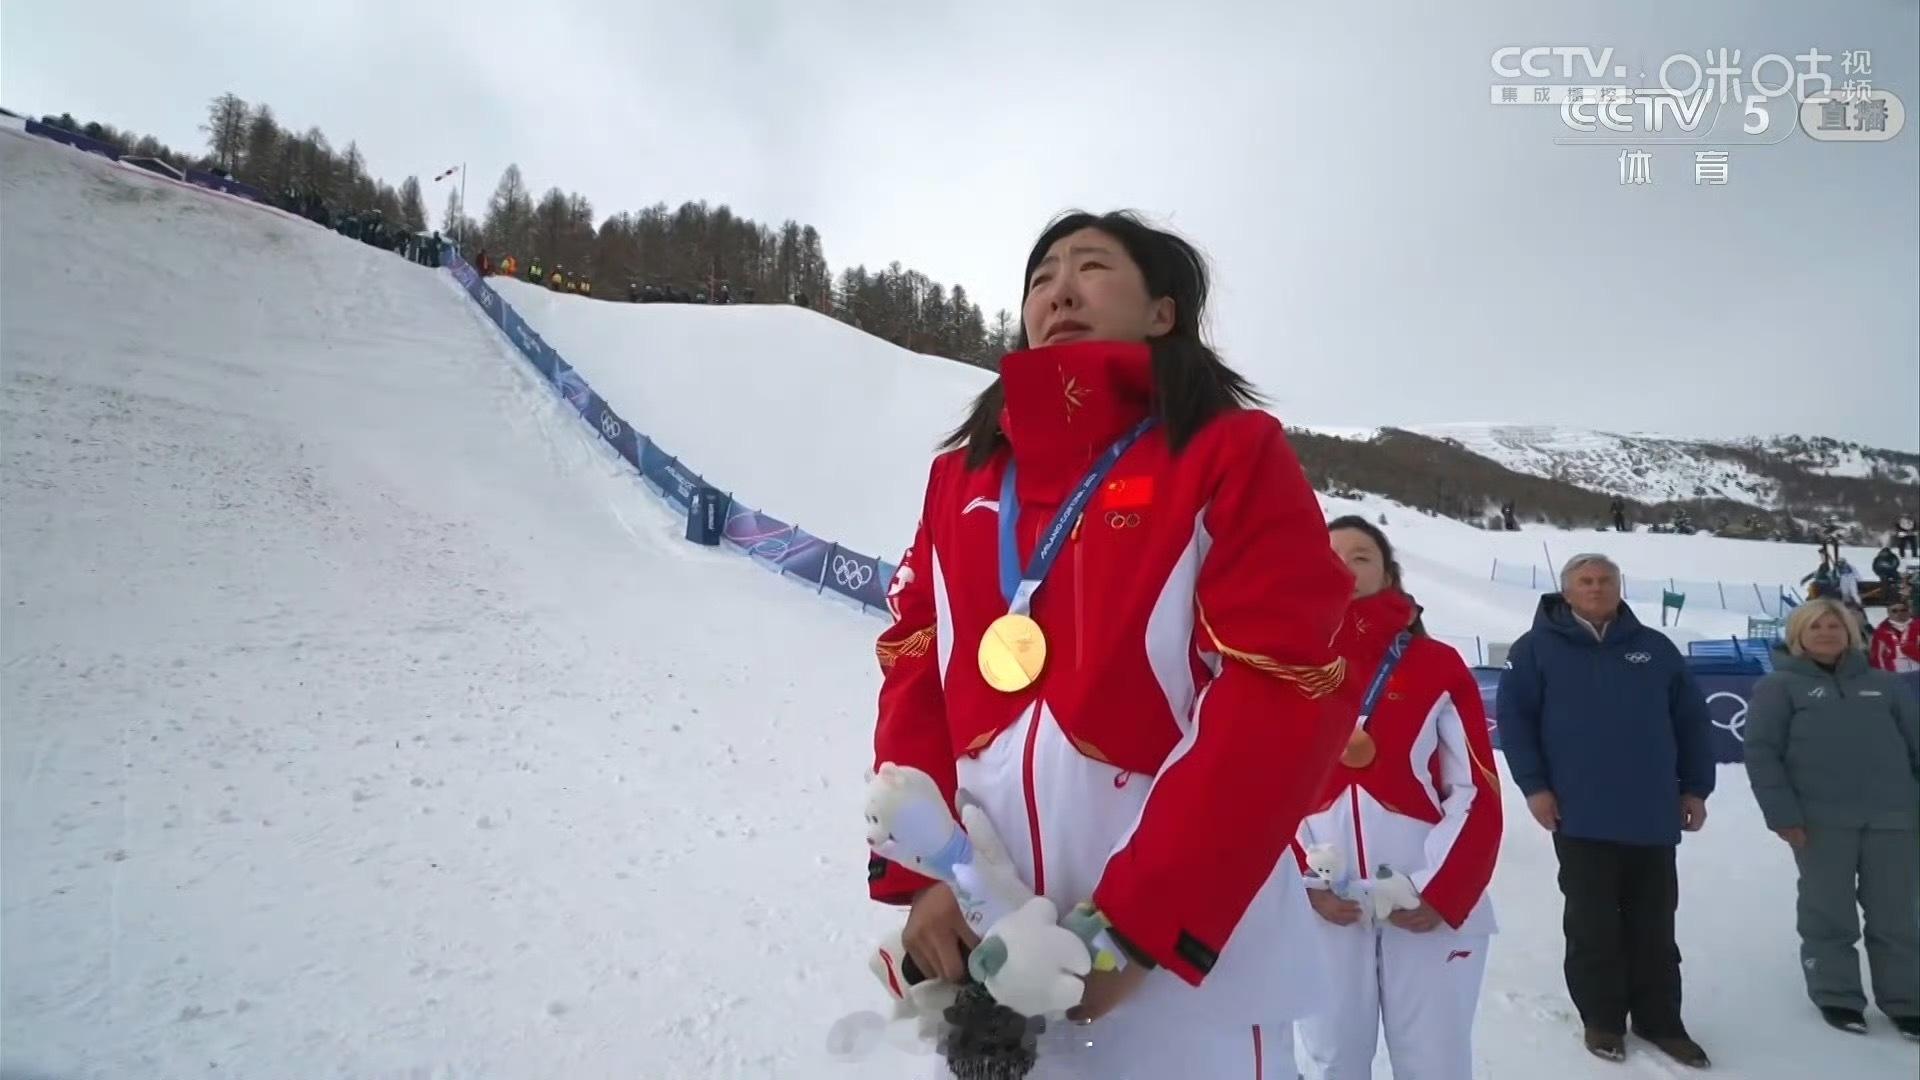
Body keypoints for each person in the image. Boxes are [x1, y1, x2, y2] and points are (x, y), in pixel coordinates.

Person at [868, 210, 1354, 1075]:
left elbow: (1280, 695)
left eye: (1092, 267)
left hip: (1174, 968)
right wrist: (929, 874)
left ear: (1163, 313)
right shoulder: (961, 479)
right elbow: (915, 666)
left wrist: (1132, 929)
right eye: (1041, 275)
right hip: (995, 938)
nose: (1059, 288)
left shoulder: (1229, 454)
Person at [1295, 516, 1502, 1079]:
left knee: (1433, 1061)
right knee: (1330, 1061)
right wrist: (1302, 884)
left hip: (1423, 898)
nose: (1344, 564)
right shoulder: (1284, 662)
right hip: (1324, 901)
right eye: (1330, 553)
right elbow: (1255, 787)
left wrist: (1441, 889)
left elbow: (1475, 788)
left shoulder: (1436, 665)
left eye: (1361, 556)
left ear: (1388, 574)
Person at [1496, 554, 1715, 1068]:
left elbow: (1691, 723)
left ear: (1619, 588)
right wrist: (1535, 788)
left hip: (1651, 811)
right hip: (1579, 812)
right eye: (1585, 582)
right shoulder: (1535, 650)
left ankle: (1662, 1021)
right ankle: (1603, 1018)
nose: (1596, 589)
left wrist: (1696, 788)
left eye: (1605, 581)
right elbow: (1516, 723)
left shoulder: (1654, 650)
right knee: (1592, 922)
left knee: (1654, 923)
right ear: (1566, 592)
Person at [1742, 598, 1920, 1040]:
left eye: (1834, 625)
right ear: (1798, 635)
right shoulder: (1779, 687)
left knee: (1897, 914)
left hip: (1894, 819)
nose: (1826, 633)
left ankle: (1905, 1000)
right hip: (1820, 822)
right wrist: (1781, 813)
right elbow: (1763, 754)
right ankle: (1837, 994)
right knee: (1829, 911)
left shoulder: (1886, 685)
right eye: (1815, 626)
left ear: (1850, 631)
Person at [1869, 601, 1920, 674]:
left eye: (1903, 610)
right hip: (1895, 672)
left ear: (1909, 611)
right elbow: (1877, 657)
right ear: (1889, 613)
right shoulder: (1881, 632)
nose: (1899, 613)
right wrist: (1883, 676)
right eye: (1894, 611)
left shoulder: (1917, 625)